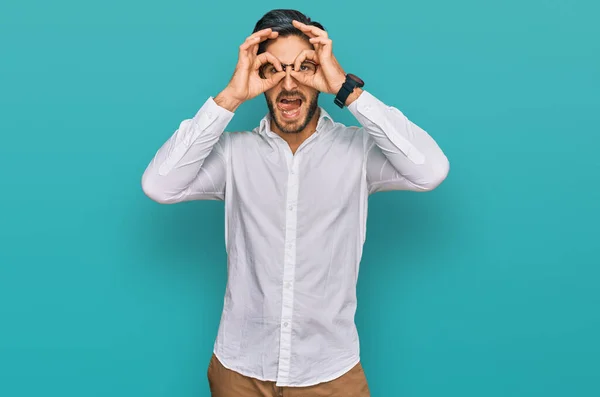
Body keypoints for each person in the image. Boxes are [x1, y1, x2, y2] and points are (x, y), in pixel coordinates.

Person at [141, 8, 449, 397]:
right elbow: (159, 184)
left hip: (331, 373)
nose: (290, 83)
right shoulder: (234, 155)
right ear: (259, 76)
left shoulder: (357, 152)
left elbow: (431, 170)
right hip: (240, 370)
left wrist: (345, 87)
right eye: (275, 69)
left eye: (304, 67)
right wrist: (231, 96)